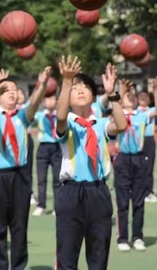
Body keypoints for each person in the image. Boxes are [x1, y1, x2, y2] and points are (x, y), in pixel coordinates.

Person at [54, 57, 126, 270]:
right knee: (67, 258)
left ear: (94, 97)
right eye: (76, 88)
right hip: (71, 193)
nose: (81, 90)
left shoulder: (101, 124)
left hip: (99, 191)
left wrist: (112, 94)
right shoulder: (66, 122)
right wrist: (66, 82)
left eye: (85, 87)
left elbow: (121, 125)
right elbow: (59, 114)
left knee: (98, 257)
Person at [0, 67, 50, 270]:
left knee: (20, 227)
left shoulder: (22, 116)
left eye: (15, 89)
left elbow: (33, 105)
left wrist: (42, 84)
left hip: (21, 176)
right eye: (7, 90)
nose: (13, 92)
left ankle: (19, 267)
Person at [112, 79, 156, 252]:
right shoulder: (119, 114)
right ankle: (122, 238)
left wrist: (155, 90)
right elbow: (116, 105)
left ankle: (137, 237)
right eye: (127, 96)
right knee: (122, 203)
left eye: (133, 96)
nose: (131, 97)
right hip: (123, 160)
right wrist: (121, 91)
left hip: (139, 159)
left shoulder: (142, 115)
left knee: (138, 202)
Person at [32, 94, 62, 217]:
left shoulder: (60, 115)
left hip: (57, 147)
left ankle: (57, 206)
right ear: (43, 102)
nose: (50, 102)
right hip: (43, 147)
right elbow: (31, 120)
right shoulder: (39, 115)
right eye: (47, 99)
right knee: (41, 179)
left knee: (57, 179)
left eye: (52, 98)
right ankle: (41, 205)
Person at [137, 87, 157, 203]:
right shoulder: (136, 111)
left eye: (146, 96)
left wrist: (155, 92)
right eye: (141, 96)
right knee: (138, 167)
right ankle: (139, 190)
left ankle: (148, 192)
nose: (143, 98)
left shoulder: (151, 110)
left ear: (150, 100)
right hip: (138, 140)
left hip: (149, 140)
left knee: (149, 167)